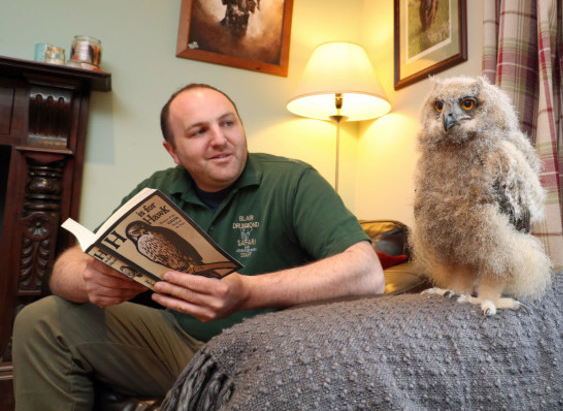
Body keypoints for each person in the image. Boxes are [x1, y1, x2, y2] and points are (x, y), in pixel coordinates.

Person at [11, 83, 385, 410]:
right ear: (173, 151)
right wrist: (90, 279)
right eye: (199, 131)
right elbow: (67, 267)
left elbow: (368, 274)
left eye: (228, 123)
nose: (220, 139)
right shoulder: (157, 189)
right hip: (176, 341)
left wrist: (247, 292)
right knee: (40, 320)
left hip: (267, 351)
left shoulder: (292, 180)